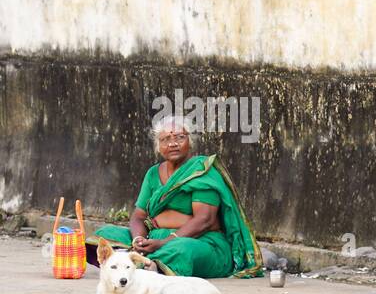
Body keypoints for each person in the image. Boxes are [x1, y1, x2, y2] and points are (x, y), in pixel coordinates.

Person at [91, 115, 263, 278]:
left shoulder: (200, 173)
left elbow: (204, 220)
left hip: (201, 243)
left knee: (181, 250)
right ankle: (135, 260)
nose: (173, 143)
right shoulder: (153, 174)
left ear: (190, 141)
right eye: (165, 139)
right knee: (104, 235)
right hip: (156, 238)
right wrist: (139, 239)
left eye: (180, 137)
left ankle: (142, 264)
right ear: (158, 146)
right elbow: (139, 216)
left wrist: (165, 242)